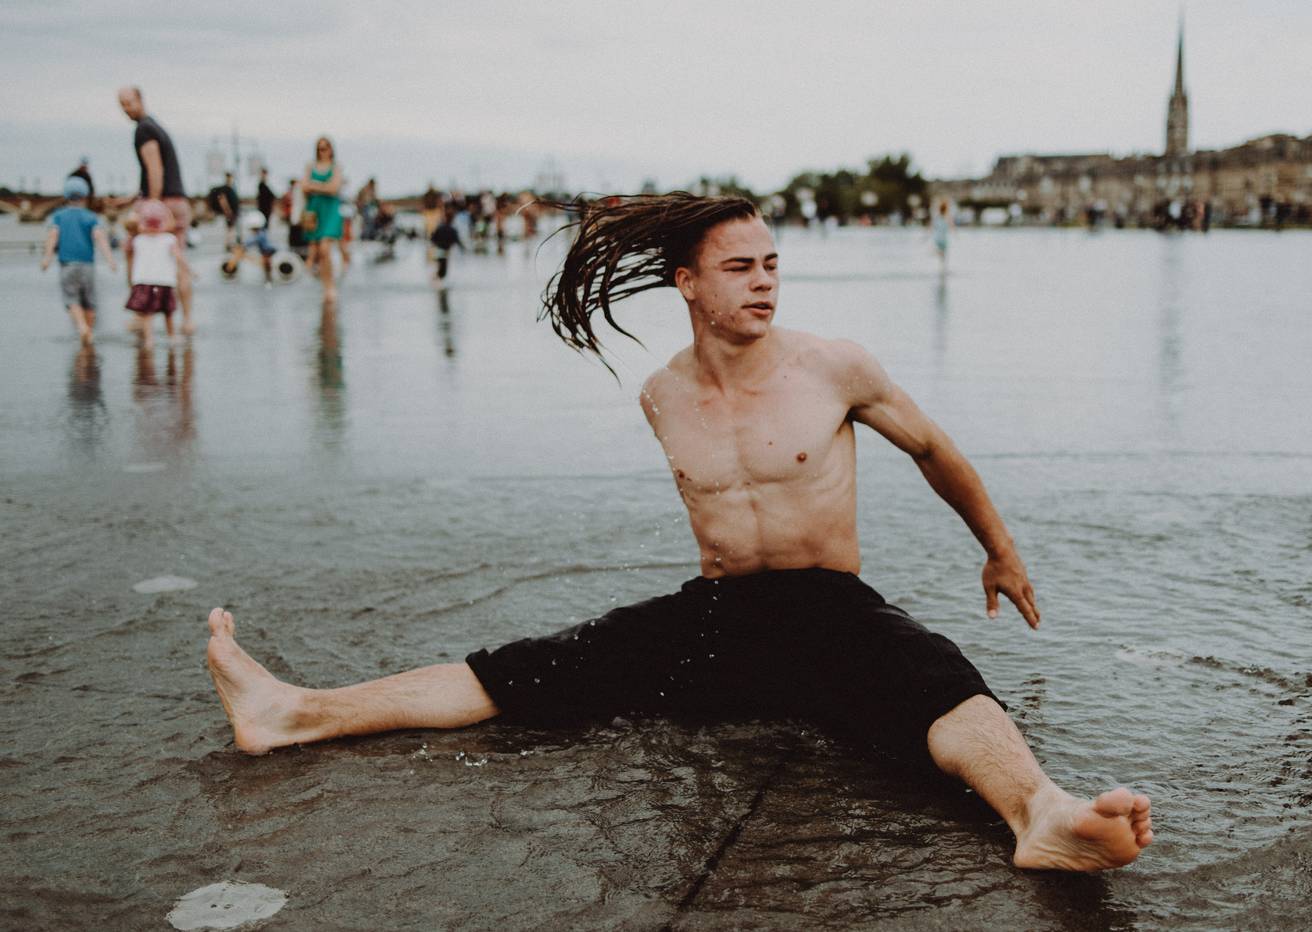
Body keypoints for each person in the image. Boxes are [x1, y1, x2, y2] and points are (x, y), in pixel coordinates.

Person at [205, 193, 1153, 872]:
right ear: (688, 283)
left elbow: (934, 449)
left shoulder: (833, 367)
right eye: (741, 268)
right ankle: (296, 712)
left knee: (936, 681)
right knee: (527, 669)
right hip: (719, 614)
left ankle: (1043, 814)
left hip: (829, 606)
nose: (765, 283)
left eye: (772, 265)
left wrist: (999, 548)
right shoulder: (663, 393)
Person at [117, 86, 194, 336]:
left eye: (129, 103)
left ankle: (141, 314)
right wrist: (132, 197)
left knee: (133, 250)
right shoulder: (156, 126)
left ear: (140, 99)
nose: (125, 109)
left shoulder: (144, 129)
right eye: (122, 104)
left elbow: (155, 168)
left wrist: (151, 204)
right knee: (177, 257)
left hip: (162, 202)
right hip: (178, 201)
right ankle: (187, 320)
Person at [40, 176, 118, 343]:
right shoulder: (91, 217)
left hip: (67, 264)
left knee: (71, 298)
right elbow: (100, 237)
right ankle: (89, 333)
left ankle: (82, 327)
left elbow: (53, 236)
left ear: (66, 195)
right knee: (89, 301)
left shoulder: (58, 216)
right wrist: (110, 259)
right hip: (87, 265)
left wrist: (47, 258)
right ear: (85, 196)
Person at [125, 200, 188, 348]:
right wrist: (189, 270)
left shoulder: (138, 240)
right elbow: (178, 257)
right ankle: (172, 336)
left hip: (143, 281)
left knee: (147, 313)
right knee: (168, 312)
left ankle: (149, 340)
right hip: (165, 281)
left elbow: (130, 228)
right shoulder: (169, 239)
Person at [301, 136, 345, 303]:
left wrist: (314, 186)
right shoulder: (310, 166)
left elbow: (334, 188)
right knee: (319, 251)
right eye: (320, 148)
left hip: (331, 211)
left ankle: (330, 286)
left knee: (325, 248)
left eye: (325, 148)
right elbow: (304, 187)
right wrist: (323, 187)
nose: (323, 151)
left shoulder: (336, 167)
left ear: (331, 149)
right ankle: (326, 285)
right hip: (314, 211)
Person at [209, 171, 240, 252]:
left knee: (231, 229)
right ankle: (229, 245)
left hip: (233, 212)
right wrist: (227, 211)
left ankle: (229, 244)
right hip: (230, 213)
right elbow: (222, 200)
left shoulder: (231, 188)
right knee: (230, 229)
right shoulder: (225, 188)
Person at [932, 199, 953, 271]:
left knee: (941, 254)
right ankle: (943, 268)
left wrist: (924, 237)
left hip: (937, 238)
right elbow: (952, 226)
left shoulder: (937, 217)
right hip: (944, 239)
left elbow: (931, 227)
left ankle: (942, 268)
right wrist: (957, 235)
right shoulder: (947, 217)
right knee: (944, 254)